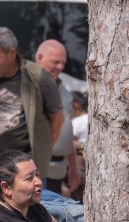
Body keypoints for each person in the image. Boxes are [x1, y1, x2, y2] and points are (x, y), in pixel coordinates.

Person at [0, 27, 64, 181]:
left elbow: (57, 118)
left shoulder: (38, 77)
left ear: (12, 53)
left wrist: (43, 148)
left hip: (28, 169)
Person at [35, 39, 80, 196]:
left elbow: (67, 132)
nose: (60, 67)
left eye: (63, 63)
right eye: (55, 62)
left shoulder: (65, 93)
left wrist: (73, 168)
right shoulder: (28, 89)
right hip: (34, 171)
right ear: (39, 58)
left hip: (57, 171)